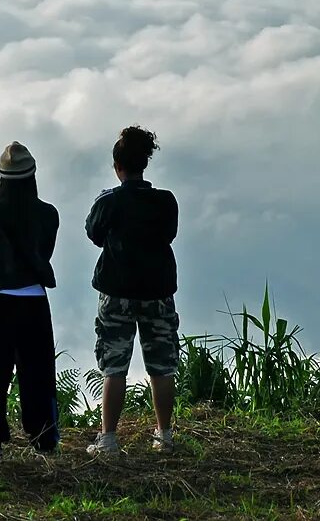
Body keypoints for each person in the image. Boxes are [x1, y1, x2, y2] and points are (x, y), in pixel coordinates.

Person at [85, 126, 181, 455]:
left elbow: (93, 233)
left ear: (117, 166)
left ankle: (108, 438)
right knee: (161, 365)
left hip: (117, 291)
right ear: (145, 164)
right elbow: (169, 234)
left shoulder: (109, 201)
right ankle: (164, 436)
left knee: (114, 365)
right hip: (157, 290)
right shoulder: (165, 201)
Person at [0, 142, 61, 456]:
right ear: (32, 176)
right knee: (37, 374)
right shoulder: (48, 214)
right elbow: (45, 252)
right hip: (33, 301)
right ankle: (45, 439)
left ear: (2, 178)